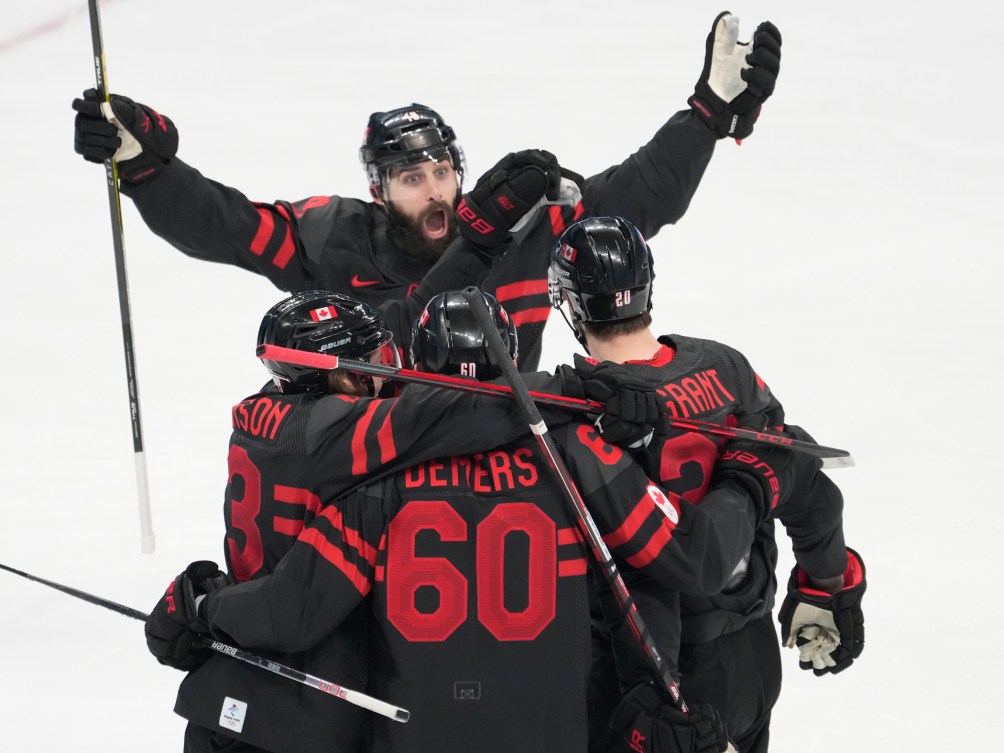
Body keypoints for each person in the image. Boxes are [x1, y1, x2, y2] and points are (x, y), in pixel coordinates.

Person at [146, 289, 807, 753]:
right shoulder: (576, 456)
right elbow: (668, 567)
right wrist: (753, 474)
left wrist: (203, 605)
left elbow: (292, 608)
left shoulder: (377, 481)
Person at [71, 12, 782, 371]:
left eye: (443, 171)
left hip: (514, 457)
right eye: (413, 179)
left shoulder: (524, 225)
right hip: (387, 474)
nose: (435, 191)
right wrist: (147, 170)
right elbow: (223, 224)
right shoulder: (332, 238)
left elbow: (642, 197)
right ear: (378, 191)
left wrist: (707, 117)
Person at [547, 216, 866, 753]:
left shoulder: (589, 410)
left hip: (668, 682)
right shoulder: (726, 367)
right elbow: (803, 482)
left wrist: (663, 698)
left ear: (572, 305)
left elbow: (645, 576)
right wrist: (828, 582)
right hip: (754, 663)